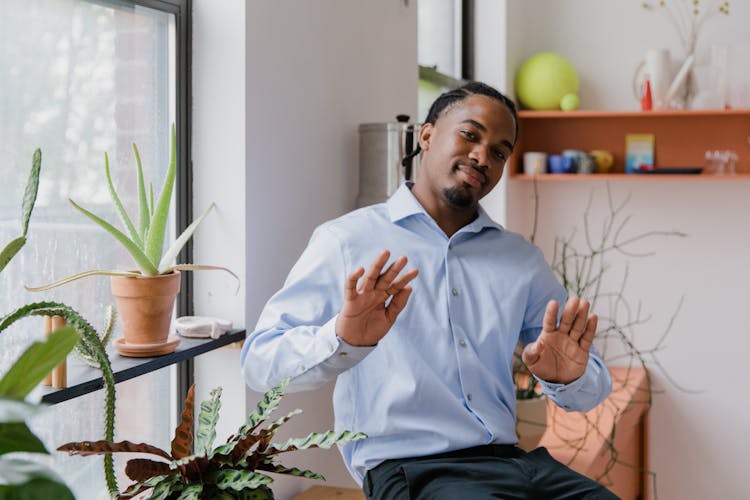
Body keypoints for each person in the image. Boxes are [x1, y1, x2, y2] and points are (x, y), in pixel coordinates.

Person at [241, 81, 616, 499]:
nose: (481, 156)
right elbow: (259, 365)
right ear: (426, 135)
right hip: (412, 472)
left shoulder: (521, 259)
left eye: (498, 151)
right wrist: (341, 338)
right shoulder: (346, 241)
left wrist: (568, 378)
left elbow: (591, 386)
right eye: (470, 135)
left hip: (516, 464)